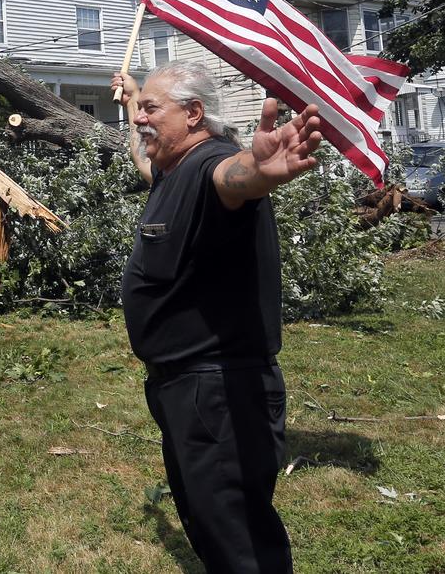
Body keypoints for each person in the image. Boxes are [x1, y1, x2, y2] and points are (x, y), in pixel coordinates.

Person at [111, 61, 322, 573]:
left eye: (152, 111)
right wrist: (134, 97)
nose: (142, 120)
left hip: (220, 393)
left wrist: (260, 170)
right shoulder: (172, 168)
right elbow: (146, 160)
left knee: (240, 540)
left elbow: (236, 179)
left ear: (195, 114)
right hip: (185, 390)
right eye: (141, 111)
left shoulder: (214, 165)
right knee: (210, 523)